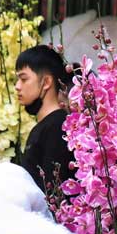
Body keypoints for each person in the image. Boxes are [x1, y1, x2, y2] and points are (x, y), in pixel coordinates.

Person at [14, 44, 75, 194]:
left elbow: (53, 190)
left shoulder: (58, 126)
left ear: (46, 82)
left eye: (23, 79)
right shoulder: (46, 126)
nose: (17, 86)